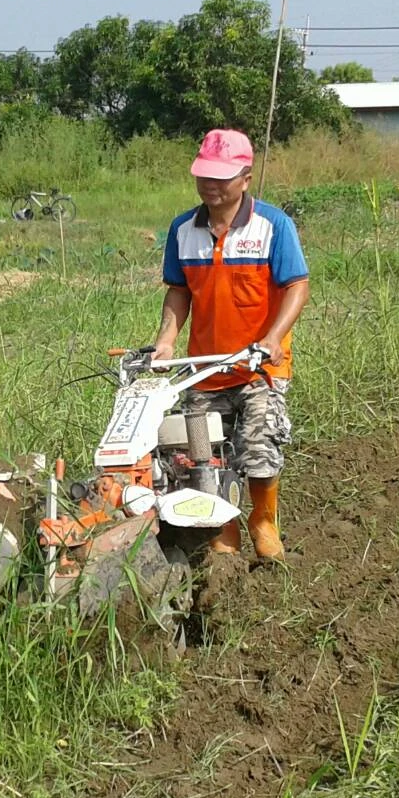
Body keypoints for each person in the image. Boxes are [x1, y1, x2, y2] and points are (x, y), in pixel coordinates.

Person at [152, 129, 310, 563]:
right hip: (205, 367)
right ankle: (226, 526)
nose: (211, 185)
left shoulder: (273, 226)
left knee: (258, 449)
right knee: (202, 457)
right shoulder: (183, 229)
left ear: (245, 176)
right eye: (204, 175)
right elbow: (179, 290)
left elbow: (297, 285)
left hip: (259, 366)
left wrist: (273, 337)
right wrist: (165, 341)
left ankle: (263, 520)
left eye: (221, 177)